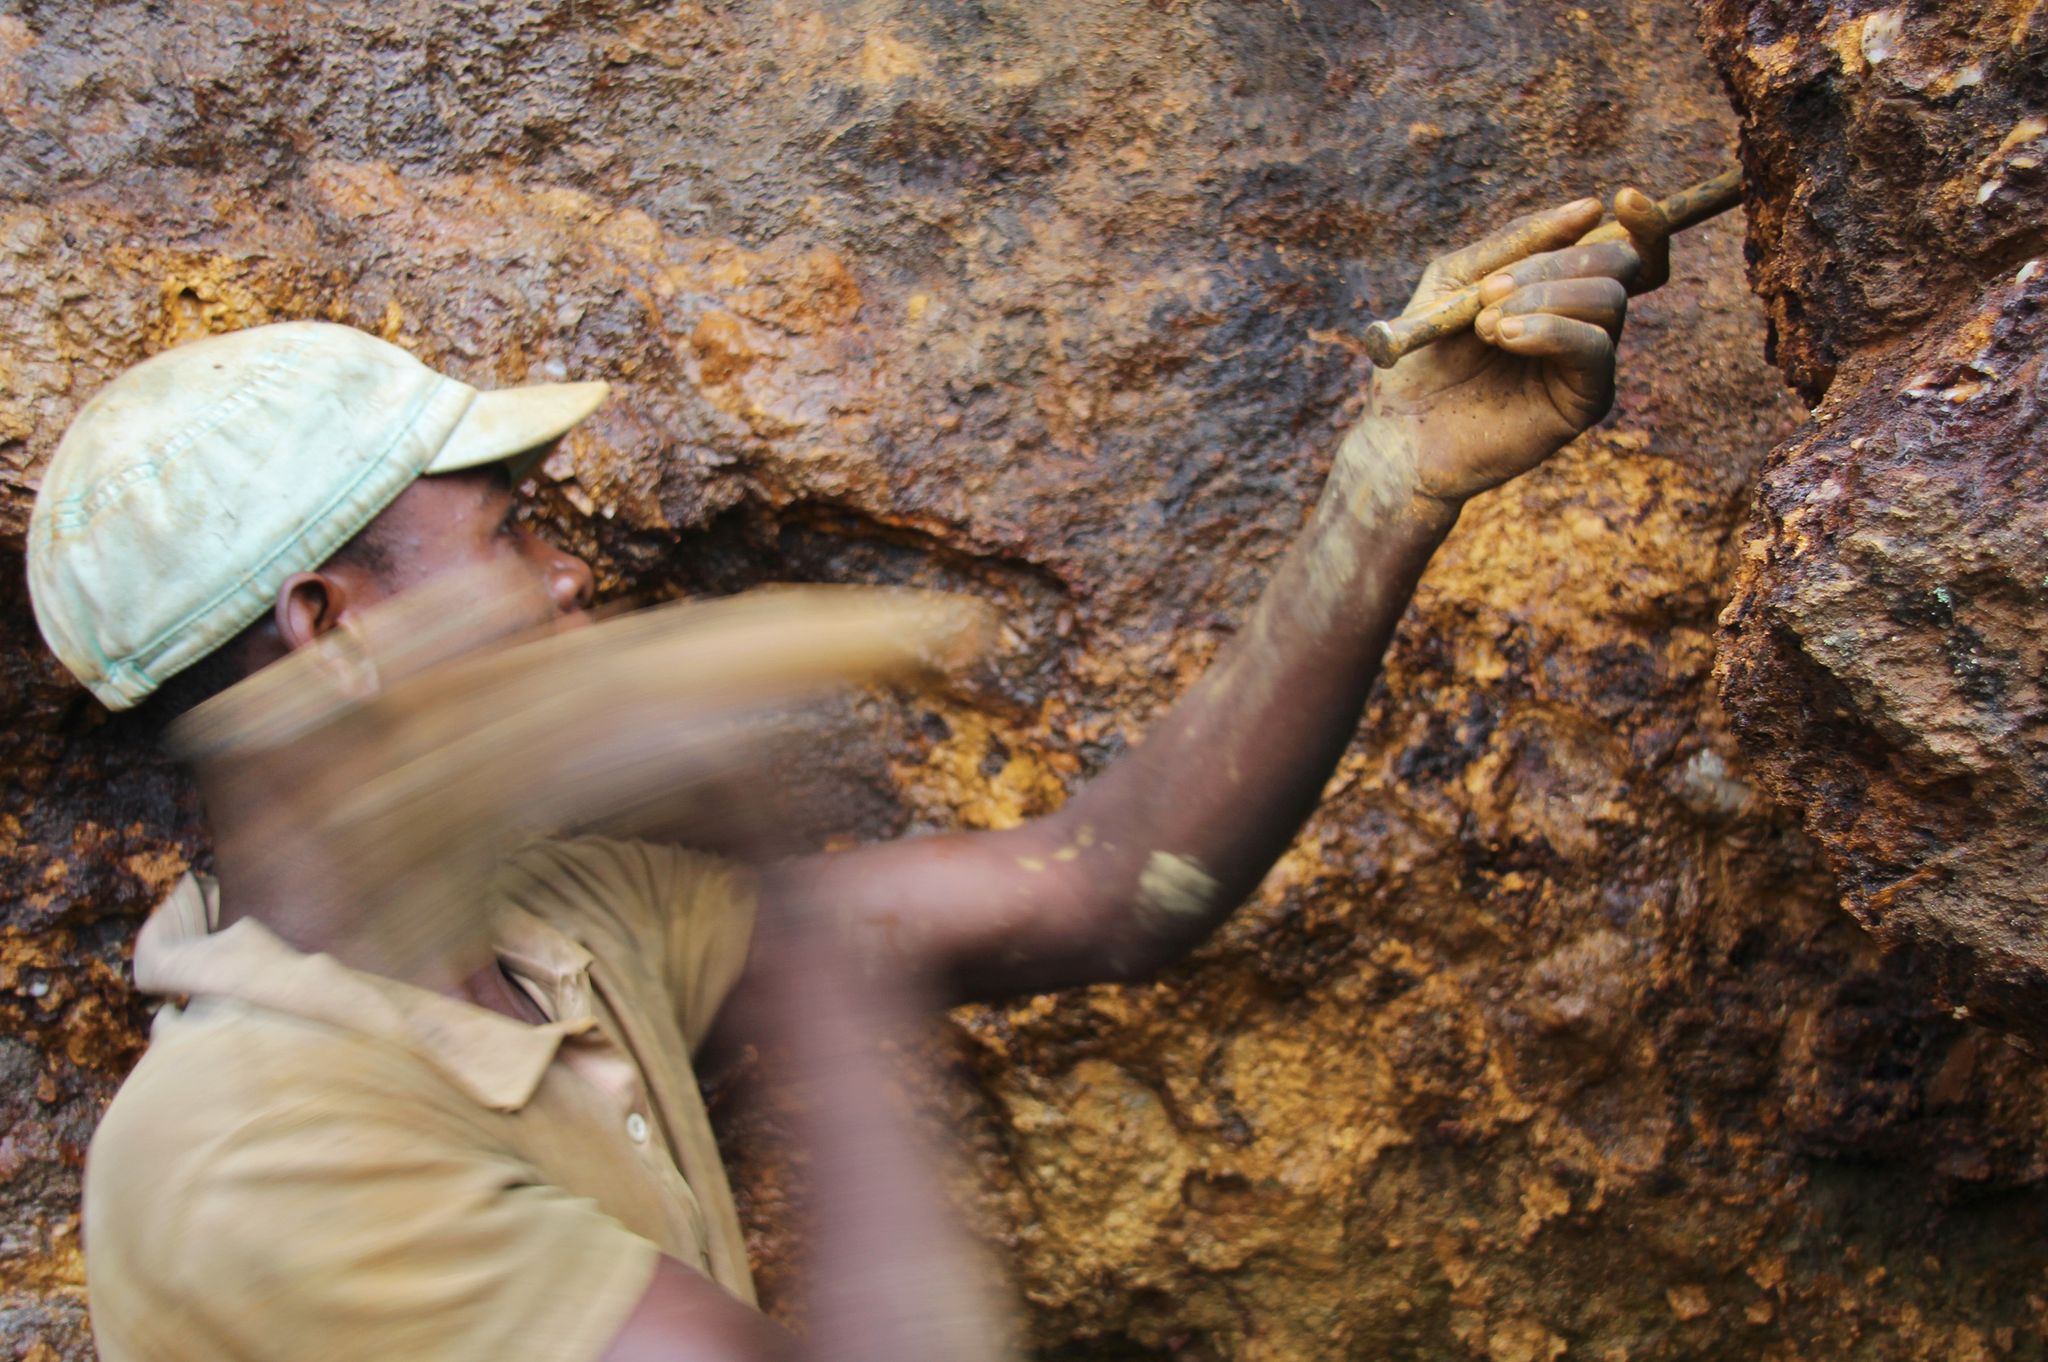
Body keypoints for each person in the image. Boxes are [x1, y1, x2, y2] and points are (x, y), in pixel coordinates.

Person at [29, 192, 1669, 1361]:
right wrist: (745, 825)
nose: (570, 581)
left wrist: (1387, 481)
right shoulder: (251, 1157)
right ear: (331, 626)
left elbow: (1105, 888)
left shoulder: (541, 926)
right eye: (514, 530)